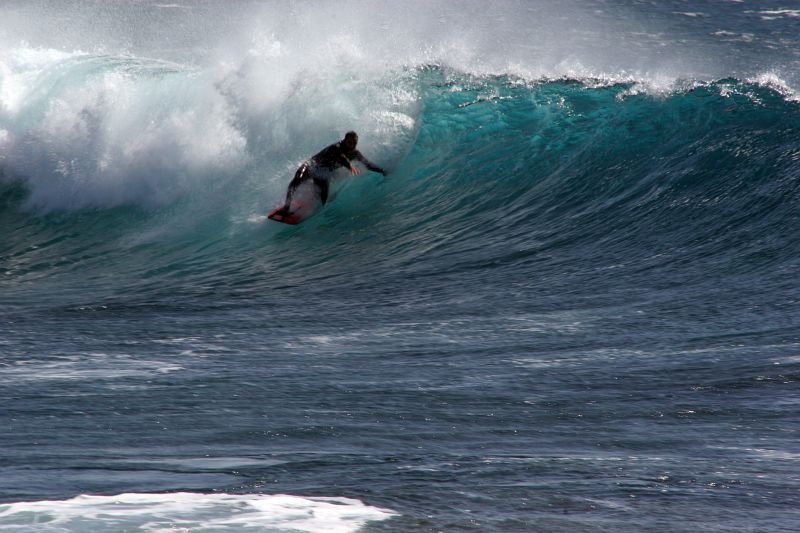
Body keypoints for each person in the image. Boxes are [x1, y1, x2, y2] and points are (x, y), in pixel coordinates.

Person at [277, 131, 386, 215]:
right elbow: (341, 157)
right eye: (350, 142)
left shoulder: (355, 154)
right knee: (297, 180)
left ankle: (314, 209)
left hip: (322, 173)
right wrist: (349, 166)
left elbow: (367, 164)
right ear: (344, 140)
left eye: (354, 143)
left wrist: (381, 170)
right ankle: (286, 207)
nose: (352, 145)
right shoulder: (336, 147)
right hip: (311, 166)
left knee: (324, 195)